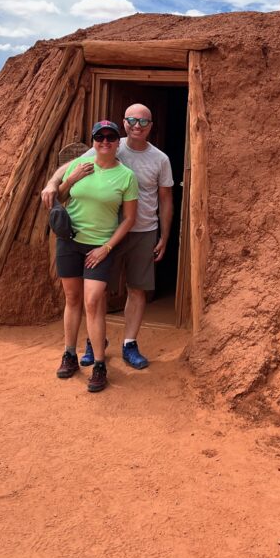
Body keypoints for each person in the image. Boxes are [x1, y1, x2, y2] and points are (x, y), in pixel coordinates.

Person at [42, 103, 174, 370]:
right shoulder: (110, 144)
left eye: (143, 122)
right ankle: (95, 341)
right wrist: (52, 183)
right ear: (124, 123)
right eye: (132, 120)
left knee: (137, 289)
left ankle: (129, 343)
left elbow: (166, 198)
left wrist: (164, 235)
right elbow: (71, 165)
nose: (137, 126)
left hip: (143, 230)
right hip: (105, 233)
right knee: (98, 292)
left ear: (151, 126)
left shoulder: (160, 159)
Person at [53, 120, 138, 393]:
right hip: (70, 242)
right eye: (99, 137)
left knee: (92, 300)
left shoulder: (126, 176)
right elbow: (60, 196)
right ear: (93, 141)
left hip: (99, 247)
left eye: (110, 138)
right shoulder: (81, 166)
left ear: (117, 142)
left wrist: (107, 248)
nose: (104, 142)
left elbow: (128, 219)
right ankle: (69, 354)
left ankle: (100, 364)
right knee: (73, 298)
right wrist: (73, 178)